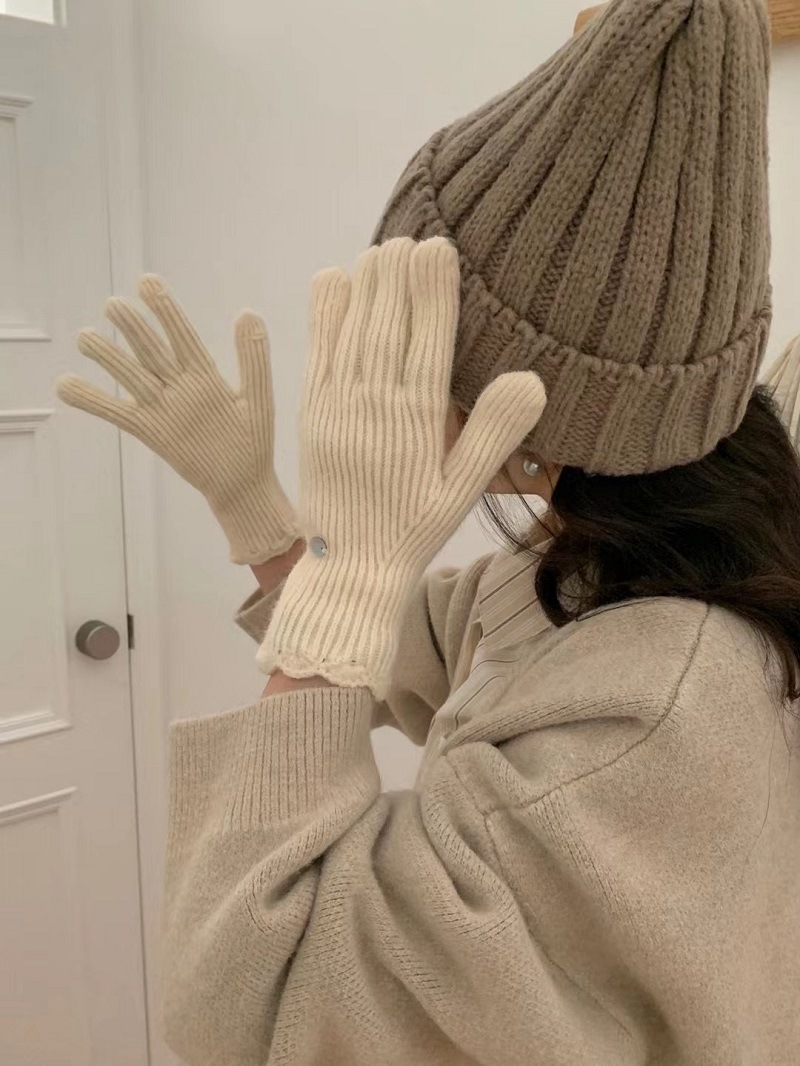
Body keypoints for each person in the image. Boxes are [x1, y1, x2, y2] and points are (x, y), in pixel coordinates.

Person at [58, 0, 800, 1062]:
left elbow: (256, 1003)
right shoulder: (595, 563)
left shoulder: (650, 712)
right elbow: (421, 651)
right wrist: (264, 520)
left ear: (537, 414)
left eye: (415, 344)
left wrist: (336, 591)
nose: (386, 385)